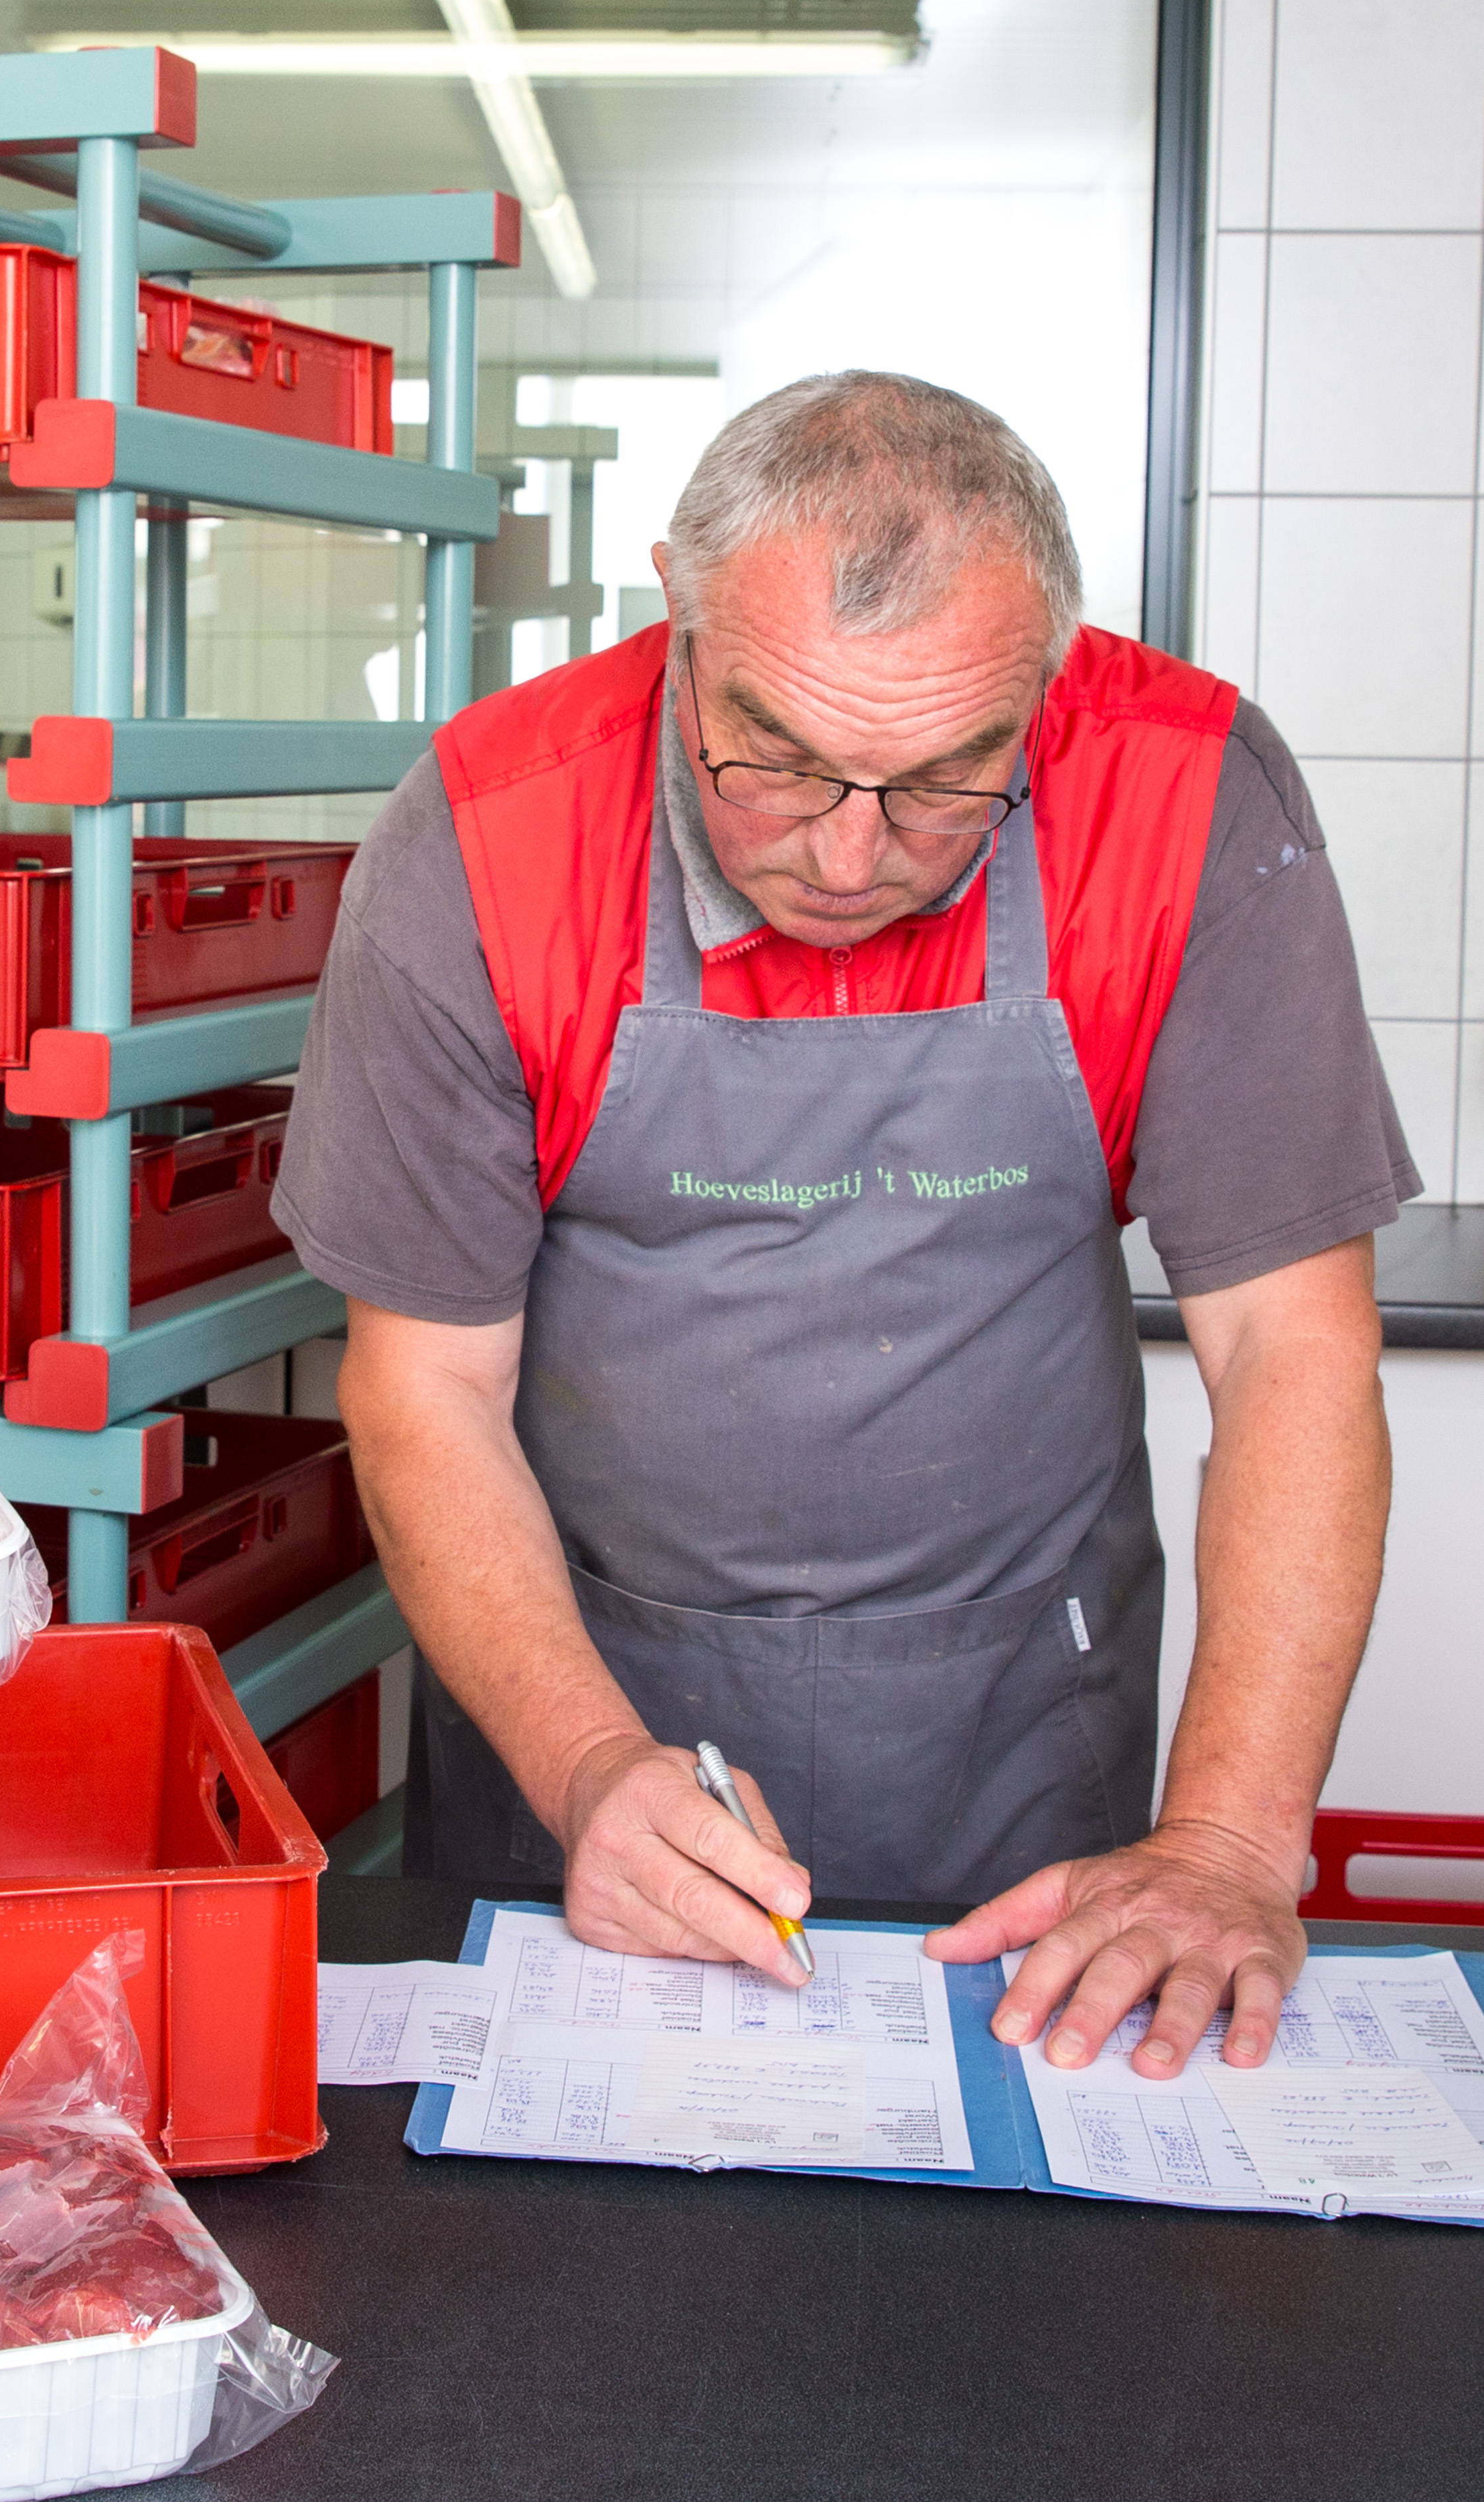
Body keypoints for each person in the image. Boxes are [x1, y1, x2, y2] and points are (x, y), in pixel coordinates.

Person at [275, 371, 1402, 2086]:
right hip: (597, 1715)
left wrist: (1233, 1846)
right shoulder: (493, 837)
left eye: (950, 781)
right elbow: (422, 1387)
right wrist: (588, 1764)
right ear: (678, 616)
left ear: (1046, 690)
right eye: (780, 765)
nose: (853, 856)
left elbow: (1293, 1350)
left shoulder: (1184, 798)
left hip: (1026, 1730)